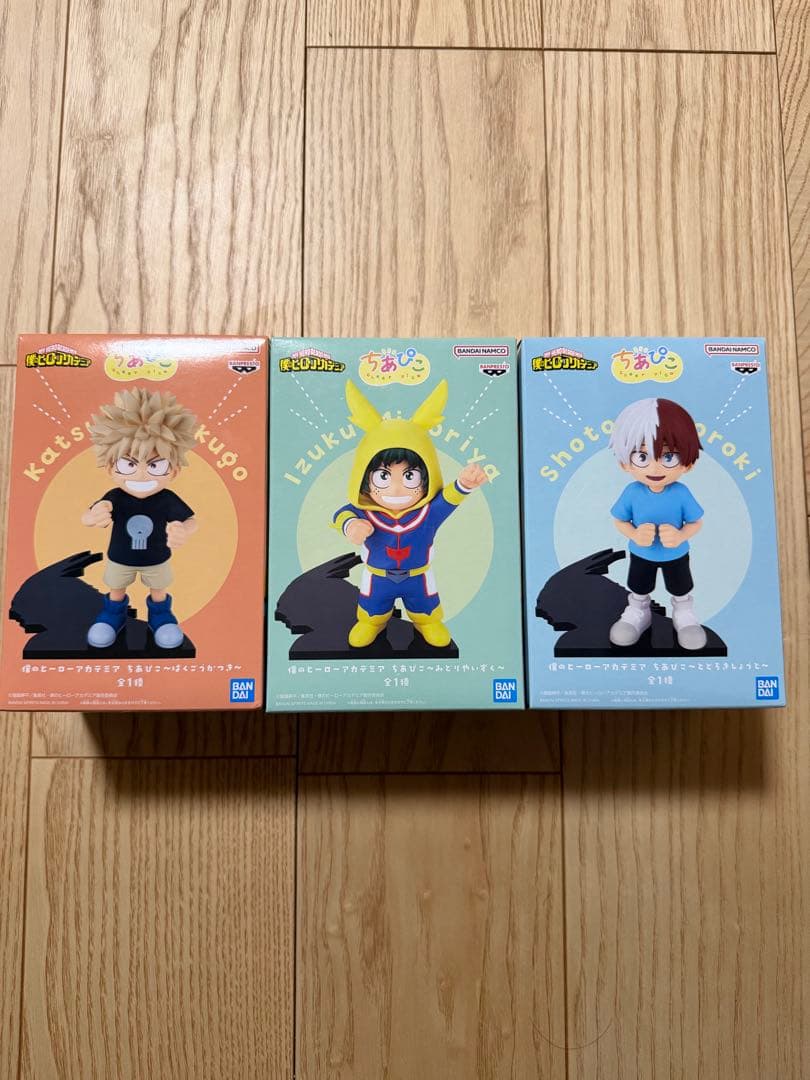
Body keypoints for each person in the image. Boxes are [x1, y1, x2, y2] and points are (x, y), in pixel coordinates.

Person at [334, 378, 487, 648]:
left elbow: (448, 499)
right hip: (377, 577)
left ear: (427, 475)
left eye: (409, 476)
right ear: (364, 477)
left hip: (418, 576)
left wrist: (465, 483)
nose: (396, 488)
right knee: (372, 608)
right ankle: (371, 622)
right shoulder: (365, 512)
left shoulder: (427, 514)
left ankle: (427, 622)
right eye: (383, 476)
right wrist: (352, 525)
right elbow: (341, 514)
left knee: (426, 607)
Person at [82, 387, 198, 648]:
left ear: (174, 470)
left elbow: (192, 520)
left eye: (156, 465)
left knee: (159, 591)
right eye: (129, 464)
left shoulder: (167, 498)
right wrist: (93, 516)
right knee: (116, 588)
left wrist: (183, 530)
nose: (142, 474)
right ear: (110, 467)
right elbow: (87, 516)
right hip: (119, 558)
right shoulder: (115, 496)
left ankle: (161, 617)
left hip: (157, 559)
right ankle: (113, 615)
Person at [608, 397, 706, 650]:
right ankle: (638, 611)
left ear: (688, 461)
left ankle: (684, 613)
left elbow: (696, 522)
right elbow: (619, 519)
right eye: (642, 456)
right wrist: (634, 534)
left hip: (676, 554)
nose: (655, 467)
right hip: (642, 553)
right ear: (624, 462)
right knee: (639, 585)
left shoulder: (681, 493)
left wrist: (681, 536)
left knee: (680, 586)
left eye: (668, 456)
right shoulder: (632, 492)